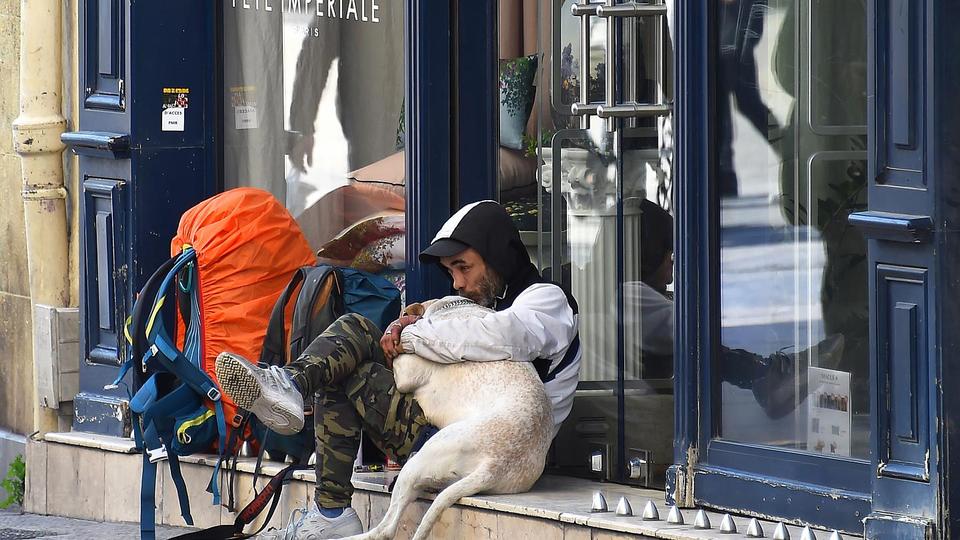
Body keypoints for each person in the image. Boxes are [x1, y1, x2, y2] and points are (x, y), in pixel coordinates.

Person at [215, 200, 581, 539]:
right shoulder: (484, 300)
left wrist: (409, 332)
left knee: (353, 341)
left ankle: (295, 402)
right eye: (450, 271)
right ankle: (293, 394)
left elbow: (498, 336)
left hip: (492, 455)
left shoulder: (546, 300)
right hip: (444, 439)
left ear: (498, 257)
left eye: (463, 267)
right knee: (348, 346)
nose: (457, 283)